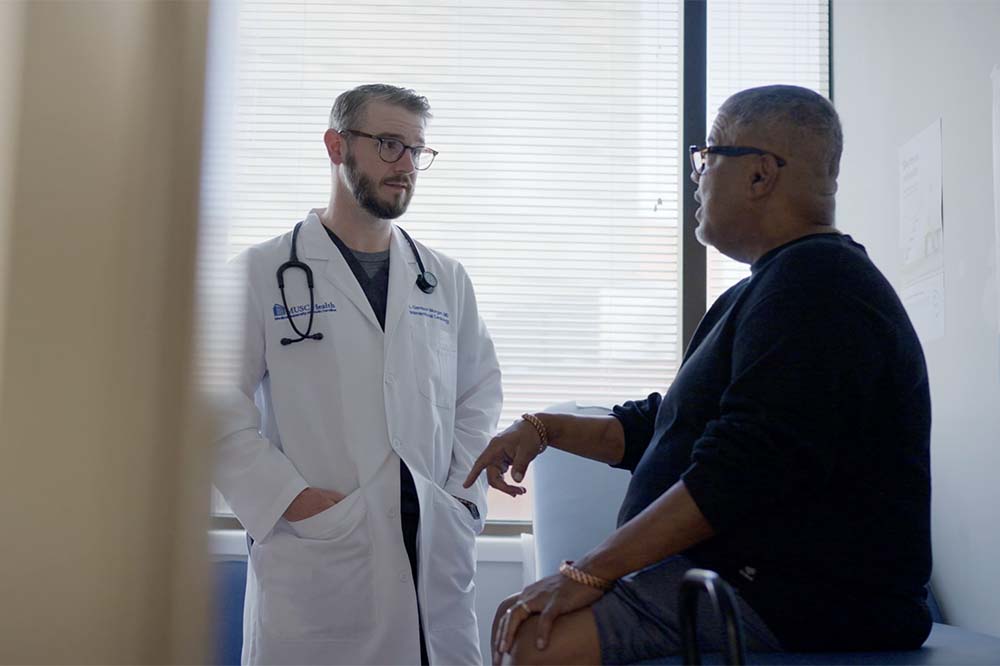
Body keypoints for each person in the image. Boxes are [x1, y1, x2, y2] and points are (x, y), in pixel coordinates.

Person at [465, 84, 932, 665]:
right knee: (526, 626)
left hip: (793, 598)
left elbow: (738, 470)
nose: (697, 175)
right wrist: (541, 428)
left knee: (535, 643)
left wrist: (588, 573)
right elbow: (666, 427)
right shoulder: (774, 287)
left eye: (707, 156)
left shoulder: (819, 290)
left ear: (760, 174)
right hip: (750, 578)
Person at [213, 84, 502, 665]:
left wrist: (458, 500)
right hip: (321, 561)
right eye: (389, 145)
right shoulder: (260, 271)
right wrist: (290, 500)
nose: (406, 167)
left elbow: (478, 395)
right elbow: (215, 407)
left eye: (417, 151)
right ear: (335, 146)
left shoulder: (443, 279)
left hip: (433, 555)